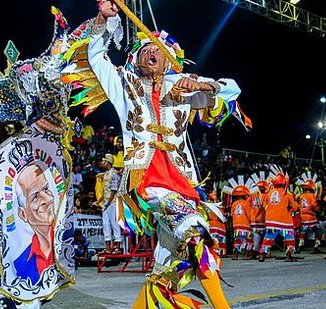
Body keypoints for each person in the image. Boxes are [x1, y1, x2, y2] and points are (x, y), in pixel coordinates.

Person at [86, 1, 245, 307]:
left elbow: (232, 89)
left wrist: (204, 85)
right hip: (146, 182)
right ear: (136, 59)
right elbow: (96, 57)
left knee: (167, 267)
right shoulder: (125, 84)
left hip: (183, 184)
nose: (151, 52)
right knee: (197, 235)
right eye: (145, 49)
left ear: (170, 59)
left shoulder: (182, 86)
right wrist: (102, 19)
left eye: (157, 48)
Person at [13, 163, 56, 283]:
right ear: (23, 214)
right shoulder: (20, 264)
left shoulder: (64, 244)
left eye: (46, 189)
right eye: (35, 197)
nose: (48, 199)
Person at [260, 172, 299, 262]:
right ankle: (288, 256)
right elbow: (295, 207)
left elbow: (264, 205)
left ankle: (262, 255)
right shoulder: (287, 194)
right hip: (285, 222)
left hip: (271, 221)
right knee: (289, 238)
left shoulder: (269, 193)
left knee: (268, 238)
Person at [96, 153, 122, 254]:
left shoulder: (114, 174)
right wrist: (99, 201)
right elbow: (105, 190)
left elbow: (113, 190)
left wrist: (107, 203)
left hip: (113, 201)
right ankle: (107, 247)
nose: (101, 163)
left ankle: (118, 247)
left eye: (103, 161)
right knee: (106, 224)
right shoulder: (106, 174)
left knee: (114, 223)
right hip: (106, 202)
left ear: (108, 162)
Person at [297, 178, 322, 253]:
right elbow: (314, 206)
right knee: (319, 231)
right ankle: (316, 247)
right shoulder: (312, 195)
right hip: (311, 217)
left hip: (303, 217)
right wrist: (318, 208)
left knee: (303, 232)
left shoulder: (301, 196)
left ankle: (299, 246)